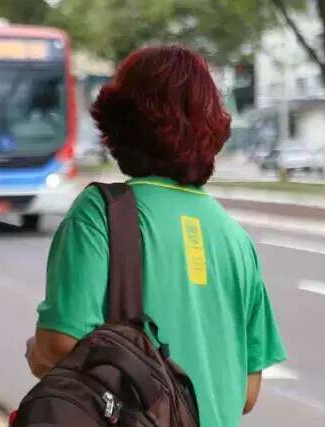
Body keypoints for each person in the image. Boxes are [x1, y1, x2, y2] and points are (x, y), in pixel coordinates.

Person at [25, 46, 287, 426]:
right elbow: (247, 392)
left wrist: (37, 351)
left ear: (120, 123)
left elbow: (58, 344)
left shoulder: (100, 214)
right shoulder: (235, 239)